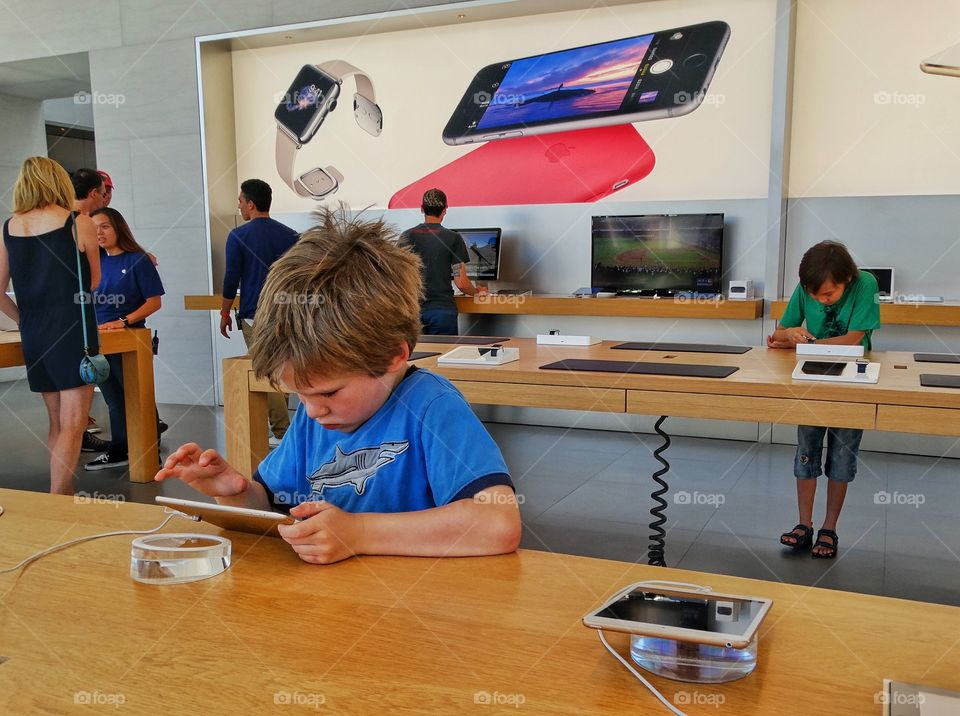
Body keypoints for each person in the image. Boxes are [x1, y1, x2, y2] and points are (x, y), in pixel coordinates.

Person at [156, 208, 521, 564]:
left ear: (394, 355)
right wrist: (234, 493)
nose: (313, 410)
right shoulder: (314, 417)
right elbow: (273, 506)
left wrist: (358, 532)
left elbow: (498, 523)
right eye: (300, 394)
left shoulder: (432, 406)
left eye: (328, 393)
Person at [767, 240, 880, 559]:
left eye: (828, 295)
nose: (820, 299)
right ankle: (804, 524)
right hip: (811, 378)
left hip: (852, 380)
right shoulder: (809, 284)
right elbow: (780, 331)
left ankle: (829, 528)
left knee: (842, 456)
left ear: (847, 279)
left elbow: (853, 339)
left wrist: (801, 344)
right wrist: (788, 335)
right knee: (807, 451)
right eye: (815, 295)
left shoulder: (866, 284)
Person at [0, 157, 101, 494]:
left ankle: (63, 493)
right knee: (74, 423)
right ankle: (58, 498)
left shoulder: (9, 227)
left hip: (35, 334)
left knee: (57, 422)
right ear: (57, 182)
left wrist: (23, 319)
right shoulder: (78, 221)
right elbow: (94, 281)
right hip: (73, 330)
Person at [83, 208, 165, 471]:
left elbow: (154, 302)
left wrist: (123, 321)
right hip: (99, 342)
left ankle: (148, 451)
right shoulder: (94, 262)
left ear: (119, 228)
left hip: (130, 340)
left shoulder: (137, 260)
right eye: (95, 228)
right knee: (113, 399)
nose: (99, 232)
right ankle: (121, 449)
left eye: (105, 226)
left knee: (137, 396)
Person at [220, 179, 299, 443]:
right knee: (283, 366)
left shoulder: (238, 236)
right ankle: (282, 427)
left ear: (251, 204)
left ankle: (281, 431)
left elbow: (231, 278)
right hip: (286, 312)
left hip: (255, 313)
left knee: (265, 368)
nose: (239, 206)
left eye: (240, 201)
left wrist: (224, 313)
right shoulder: (290, 235)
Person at [399, 188, 485, 335]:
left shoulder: (406, 236)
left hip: (411, 311)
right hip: (442, 312)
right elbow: (462, 283)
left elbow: (396, 277)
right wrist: (478, 292)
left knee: (415, 357)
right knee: (442, 356)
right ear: (445, 210)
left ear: (422, 209)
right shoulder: (453, 238)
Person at [71, 167, 111, 447]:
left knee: (61, 417)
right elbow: (94, 280)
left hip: (44, 322)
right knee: (71, 416)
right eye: (104, 191)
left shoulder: (46, 222)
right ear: (95, 192)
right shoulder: (82, 222)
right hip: (78, 320)